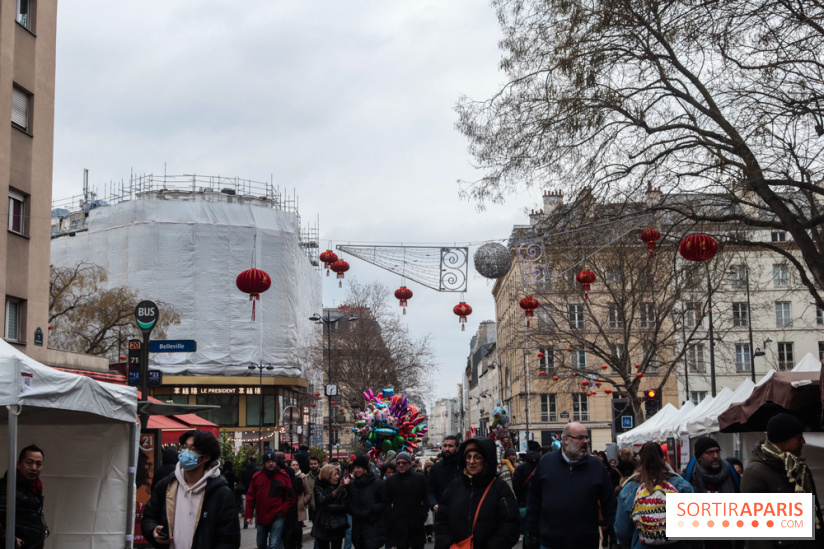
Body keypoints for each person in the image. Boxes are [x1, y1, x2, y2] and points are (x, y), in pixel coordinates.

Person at [142, 430, 240, 548]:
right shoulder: (166, 485)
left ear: (206, 457)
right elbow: (148, 517)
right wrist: (153, 530)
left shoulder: (221, 493)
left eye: (192, 449)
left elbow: (229, 539)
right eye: (184, 447)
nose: (186, 453)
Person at [525, 422, 616, 549]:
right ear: (566, 440)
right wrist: (532, 533)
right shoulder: (546, 463)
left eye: (586, 437)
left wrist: (613, 535)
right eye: (580, 438)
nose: (585, 441)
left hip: (585, 542)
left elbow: (610, 504)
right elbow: (533, 500)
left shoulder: (596, 467)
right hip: (550, 541)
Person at [741, 413, 823, 548]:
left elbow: (816, 514)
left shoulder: (799, 468)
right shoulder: (755, 473)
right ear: (782, 442)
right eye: (798, 438)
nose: (803, 441)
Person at [434, 436, 519, 549]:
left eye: (477, 457)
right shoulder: (454, 487)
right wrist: (447, 544)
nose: (471, 462)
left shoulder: (499, 488)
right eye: (468, 457)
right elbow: (442, 521)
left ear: (486, 461)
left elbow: (510, 525)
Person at [614, 442, 693, 548]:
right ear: (664, 459)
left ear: (640, 460)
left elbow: (622, 532)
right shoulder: (682, 486)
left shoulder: (629, 489)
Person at [0, 445, 48, 549]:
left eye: (38, 464)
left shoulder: (35, 488)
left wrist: (44, 528)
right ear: (18, 464)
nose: (34, 468)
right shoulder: (6, 487)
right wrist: (7, 539)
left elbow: (37, 512)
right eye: (29, 462)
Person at [245, 451, 295, 549]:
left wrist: (282, 511)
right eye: (268, 462)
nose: (271, 464)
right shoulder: (257, 477)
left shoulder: (283, 477)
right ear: (264, 463)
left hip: (277, 515)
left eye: (272, 461)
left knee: (273, 544)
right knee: (260, 543)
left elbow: (290, 497)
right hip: (262, 515)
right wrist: (248, 515)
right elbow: (250, 497)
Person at [384, 451, 429, 549]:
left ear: (409, 464)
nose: (401, 465)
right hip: (399, 524)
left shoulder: (419, 478)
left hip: (416, 522)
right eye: (398, 463)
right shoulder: (391, 481)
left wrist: (423, 514)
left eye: (404, 463)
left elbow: (426, 498)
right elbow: (386, 502)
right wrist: (392, 517)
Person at [347, 455, 384, 549]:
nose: (356, 470)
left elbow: (384, 502)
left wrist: (372, 509)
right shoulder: (352, 485)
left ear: (365, 469)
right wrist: (352, 510)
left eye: (358, 467)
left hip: (372, 527)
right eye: (354, 468)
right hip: (357, 528)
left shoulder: (377, 483)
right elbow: (348, 501)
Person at [312, 464, 351, 549]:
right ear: (327, 476)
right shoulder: (318, 487)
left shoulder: (341, 489)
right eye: (334, 475)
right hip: (322, 524)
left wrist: (330, 507)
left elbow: (344, 507)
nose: (337, 477)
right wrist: (336, 492)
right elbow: (321, 501)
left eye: (338, 474)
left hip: (338, 524)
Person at [426, 436, 461, 514]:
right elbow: (430, 490)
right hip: (442, 512)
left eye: (450, 446)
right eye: (445, 446)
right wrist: (434, 504)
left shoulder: (463, 466)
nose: (447, 449)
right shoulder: (436, 468)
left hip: (461, 512)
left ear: (457, 448)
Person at [290, 460, 312, 532]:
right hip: (290, 507)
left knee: (298, 531)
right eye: (293, 465)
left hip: (299, 507)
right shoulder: (287, 476)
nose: (295, 467)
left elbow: (308, 492)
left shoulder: (302, 477)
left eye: (297, 465)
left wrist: (303, 501)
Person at [242, 455, 261, 530]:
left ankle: (245, 523)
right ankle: (257, 523)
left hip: (247, 489)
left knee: (248, 506)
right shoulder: (258, 470)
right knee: (257, 507)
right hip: (256, 490)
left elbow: (242, 480)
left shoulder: (244, 470)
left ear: (249, 460)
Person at [306, 455, 321, 521]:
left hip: (322, 506)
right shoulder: (307, 477)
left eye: (315, 464)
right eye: (311, 464)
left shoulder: (324, 475)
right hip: (312, 507)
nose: (313, 465)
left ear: (319, 464)